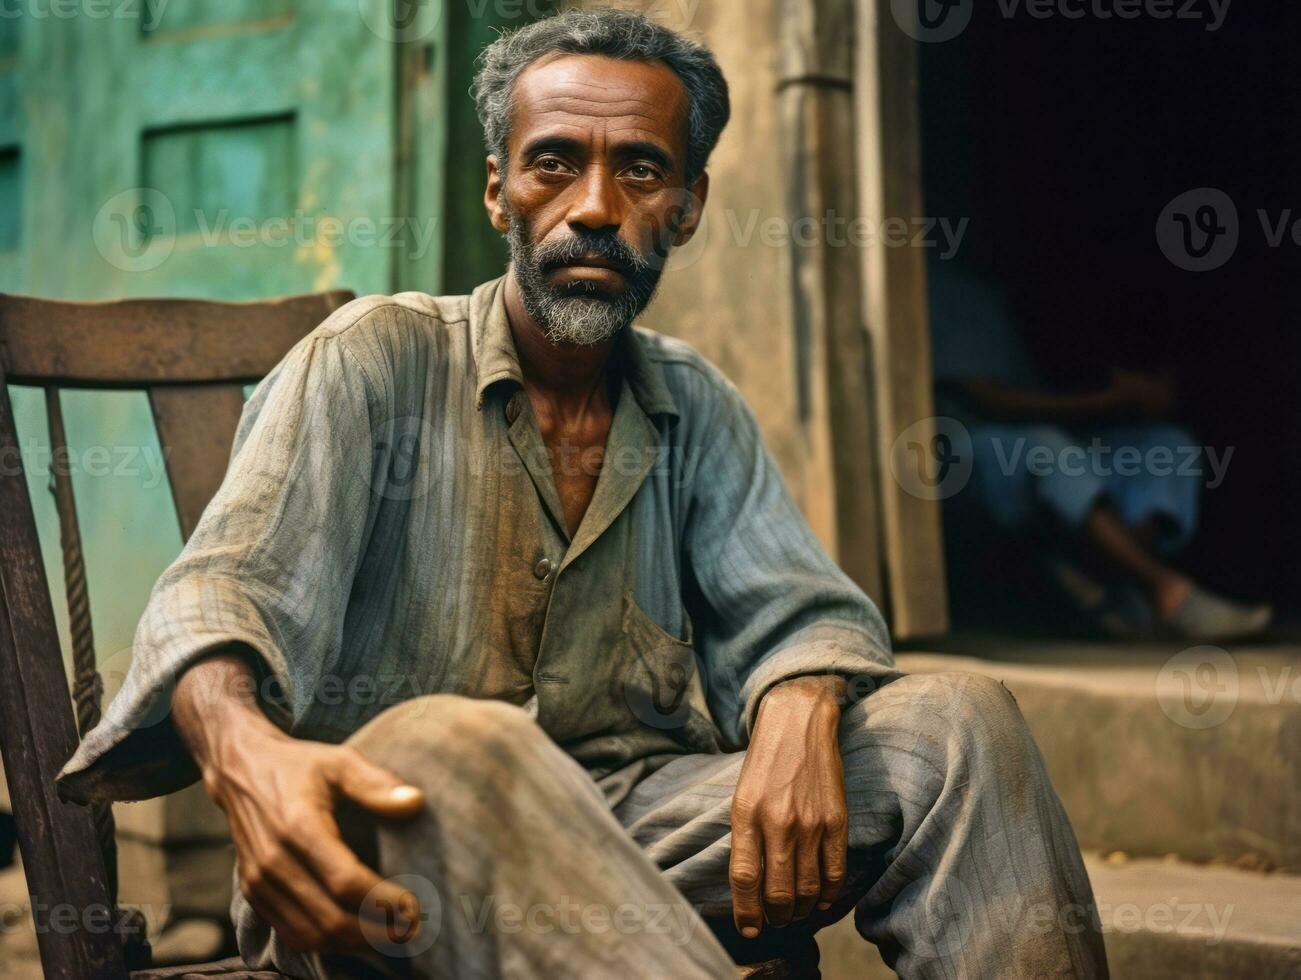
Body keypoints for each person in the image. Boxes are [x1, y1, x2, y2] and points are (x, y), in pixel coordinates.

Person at [59, 10, 1107, 978]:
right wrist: (248, 756)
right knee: (458, 743)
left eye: (641, 170)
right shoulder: (371, 360)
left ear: (688, 207)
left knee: (957, 727)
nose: (594, 208)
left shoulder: (692, 403)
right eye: (552, 164)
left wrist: (796, 697)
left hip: (626, 836)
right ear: (495, 190)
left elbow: (804, 612)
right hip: (379, 852)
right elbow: (214, 598)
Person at [929, 259, 1272, 641]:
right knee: (1047, 446)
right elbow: (990, 402)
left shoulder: (1026, 290)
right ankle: (1165, 591)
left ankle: (1119, 584)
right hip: (965, 453)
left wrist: (1132, 395)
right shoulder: (944, 289)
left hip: (1055, 435)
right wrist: (1113, 400)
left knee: (1164, 444)